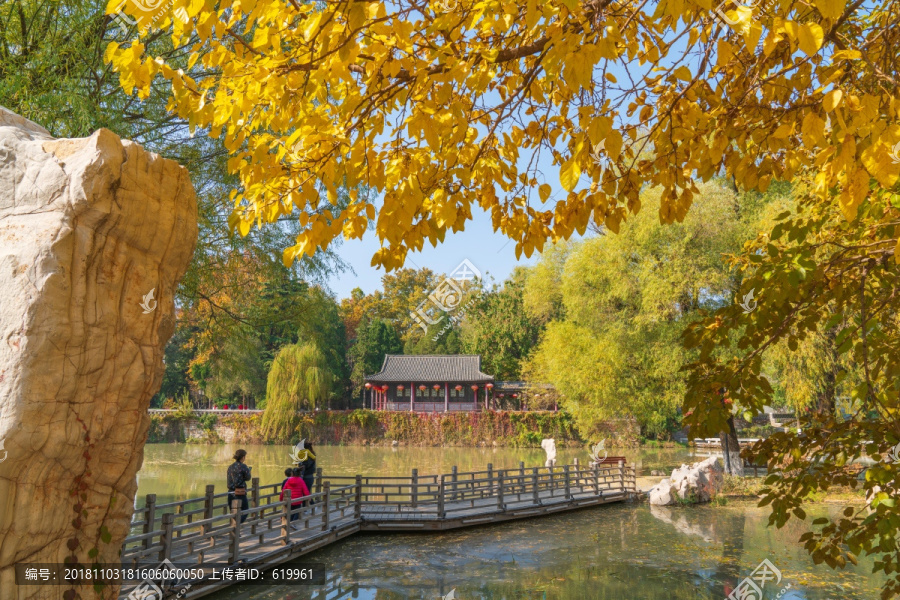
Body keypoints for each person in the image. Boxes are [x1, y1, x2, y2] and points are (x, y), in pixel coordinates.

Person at [226, 449, 252, 523]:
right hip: (239, 493)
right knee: (245, 510)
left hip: (230, 492)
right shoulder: (243, 466)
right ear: (243, 457)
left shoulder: (230, 467)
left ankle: (234, 531)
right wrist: (249, 472)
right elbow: (248, 478)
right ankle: (236, 525)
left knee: (233, 513)